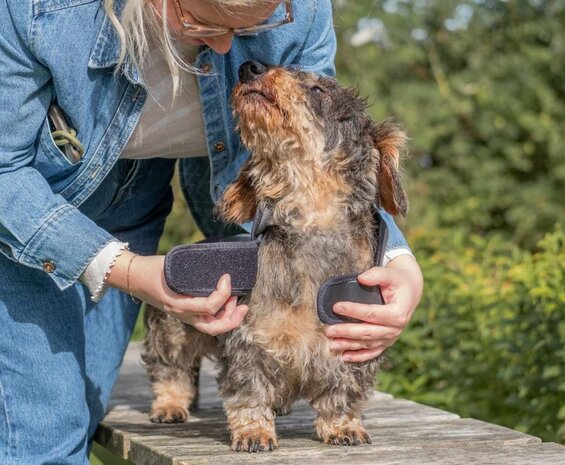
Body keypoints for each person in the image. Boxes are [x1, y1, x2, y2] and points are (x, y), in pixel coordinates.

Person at [0, 0, 424, 463]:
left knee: (85, 405)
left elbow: (336, 155)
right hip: (36, 198)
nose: (228, 47)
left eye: (256, 26)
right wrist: (129, 271)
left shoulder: (301, 8)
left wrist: (398, 263)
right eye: (199, 21)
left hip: (167, 198)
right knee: (45, 429)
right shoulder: (36, 12)